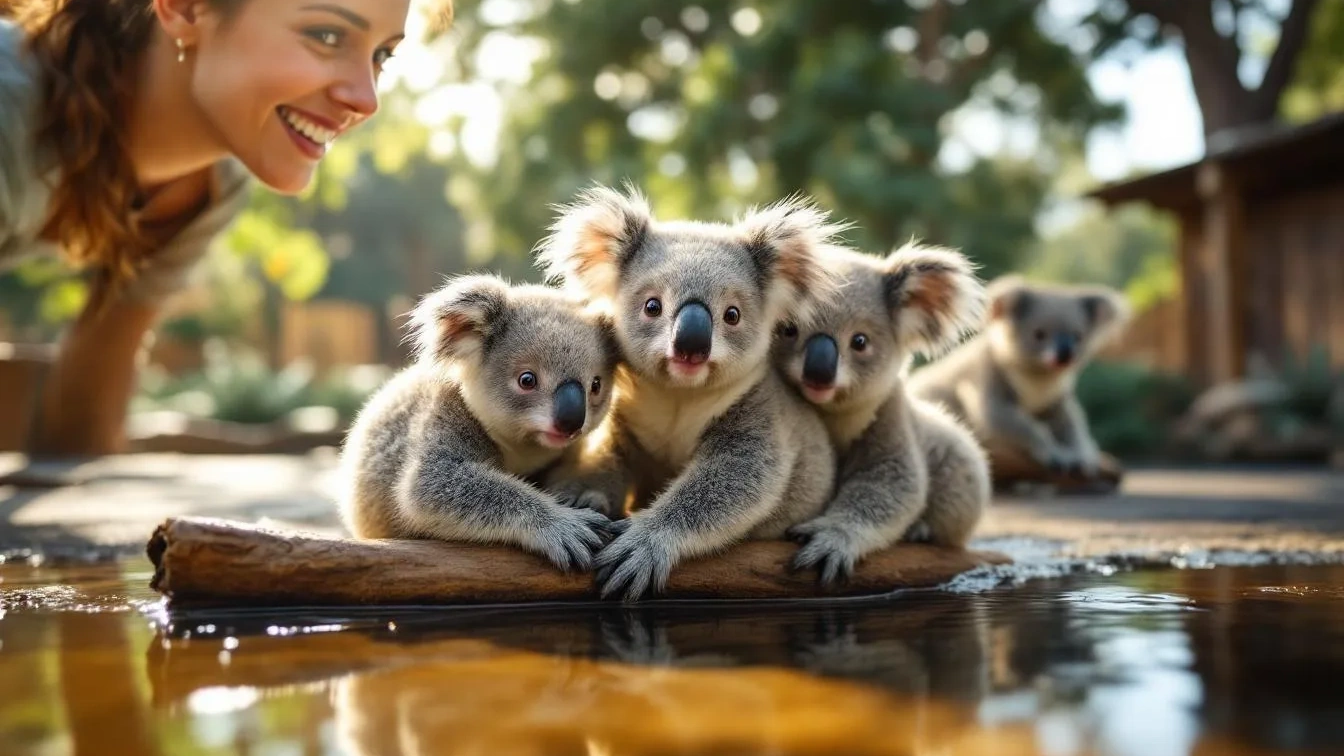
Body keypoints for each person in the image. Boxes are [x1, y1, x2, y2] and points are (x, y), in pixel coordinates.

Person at [0, 0, 448, 456]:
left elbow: (83, 417)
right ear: (186, 9)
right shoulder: (9, 109)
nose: (366, 99)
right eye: (326, 36)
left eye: (381, 56)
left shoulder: (209, 187)